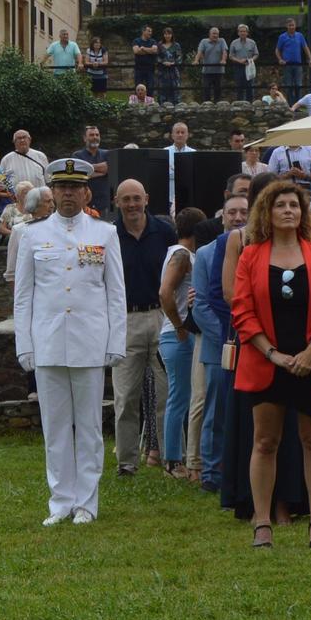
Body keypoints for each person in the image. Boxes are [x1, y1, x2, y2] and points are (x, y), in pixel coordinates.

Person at [232, 178, 311, 549]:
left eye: (294, 205)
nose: (288, 211)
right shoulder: (250, 255)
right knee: (265, 441)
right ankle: (262, 522)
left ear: (303, 212)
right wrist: (272, 353)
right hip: (267, 363)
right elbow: (243, 311)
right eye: (280, 205)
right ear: (267, 210)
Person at [13, 158, 126, 524]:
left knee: (90, 426)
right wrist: (24, 344)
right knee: (56, 426)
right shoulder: (32, 235)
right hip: (47, 342)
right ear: (51, 193)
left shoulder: (104, 233)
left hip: (89, 342)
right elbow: (24, 295)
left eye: (74, 188)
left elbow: (115, 293)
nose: (67, 194)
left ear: (86, 192)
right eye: (61, 188)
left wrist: (115, 341)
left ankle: (86, 503)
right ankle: (60, 501)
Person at [110, 179, 178, 475]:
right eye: (126, 199)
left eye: (136, 198)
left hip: (161, 316)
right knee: (125, 396)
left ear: (147, 199)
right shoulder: (110, 235)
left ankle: (170, 457)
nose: (132, 204)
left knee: (168, 392)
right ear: (117, 202)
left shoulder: (164, 232)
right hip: (126, 320)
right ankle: (127, 462)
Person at [190, 194, 246, 490]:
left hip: (252, 344)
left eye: (243, 212)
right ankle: (211, 471)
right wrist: (229, 336)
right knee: (216, 409)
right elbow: (200, 305)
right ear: (222, 216)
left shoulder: (259, 249)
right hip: (218, 346)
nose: (238, 217)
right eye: (232, 212)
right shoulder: (207, 253)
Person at [157, 208, 207, 474]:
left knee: (184, 396)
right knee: (179, 397)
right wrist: (179, 326)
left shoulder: (178, 253)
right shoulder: (181, 255)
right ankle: (173, 460)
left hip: (178, 334)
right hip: (177, 336)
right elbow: (165, 292)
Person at [0, 128, 50, 201]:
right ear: (14, 142)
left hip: (39, 200)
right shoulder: (6, 159)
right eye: (19, 138)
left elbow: (48, 180)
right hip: (17, 201)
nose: (22, 140)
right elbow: (1, 183)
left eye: (24, 137)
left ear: (29, 140)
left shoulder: (41, 156)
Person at [79, 124, 114, 215]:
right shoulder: (77, 156)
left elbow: (109, 168)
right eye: (91, 135)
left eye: (97, 135)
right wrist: (102, 171)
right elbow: (80, 174)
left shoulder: (108, 154)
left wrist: (88, 169)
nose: (95, 137)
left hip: (104, 205)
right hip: (85, 205)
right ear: (84, 138)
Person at [275, 17, 310, 96]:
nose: (291, 27)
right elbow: (277, 50)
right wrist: (280, 59)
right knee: (288, 85)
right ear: (287, 26)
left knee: (299, 85)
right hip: (287, 64)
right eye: (290, 25)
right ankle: (290, 104)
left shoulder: (300, 36)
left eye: (293, 25)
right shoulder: (282, 37)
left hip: (298, 64)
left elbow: (305, 48)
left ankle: (298, 104)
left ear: (295, 25)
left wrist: (310, 59)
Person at [195, 26, 229, 101]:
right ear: (209, 34)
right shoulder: (204, 41)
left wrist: (223, 60)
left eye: (217, 34)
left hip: (219, 71)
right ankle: (207, 106)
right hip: (207, 71)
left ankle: (217, 107)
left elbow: (224, 51)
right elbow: (199, 52)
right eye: (213, 33)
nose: (215, 35)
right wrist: (196, 61)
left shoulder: (222, 41)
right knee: (206, 89)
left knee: (218, 90)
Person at [228, 23, 260, 99]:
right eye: (241, 31)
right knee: (239, 87)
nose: (243, 33)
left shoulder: (252, 42)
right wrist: (239, 61)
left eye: (244, 31)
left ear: (247, 33)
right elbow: (231, 56)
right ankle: (240, 105)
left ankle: (250, 105)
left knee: (250, 87)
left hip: (249, 67)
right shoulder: (234, 43)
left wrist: (251, 60)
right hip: (238, 67)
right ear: (238, 33)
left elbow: (256, 54)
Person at [156, 26, 184, 103]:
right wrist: (163, 62)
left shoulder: (176, 45)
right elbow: (156, 57)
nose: (167, 36)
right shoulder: (159, 45)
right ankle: (162, 109)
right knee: (162, 90)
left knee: (175, 90)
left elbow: (180, 57)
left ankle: (176, 109)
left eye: (169, 34)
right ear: (163, 35)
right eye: (165, 34)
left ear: (172, 35)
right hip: (162, 72)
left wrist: (173, 63)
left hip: (173, 71)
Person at [131, 24, 159, 93]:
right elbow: (136, 51)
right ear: (143, 31)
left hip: (150, 68)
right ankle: (138, 103)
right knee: (138, 87)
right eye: (149, 31)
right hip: (139, 68)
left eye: (151, 31)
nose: (150, 33)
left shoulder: (153, 41)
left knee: (150, 87)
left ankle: (150, 103)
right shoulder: (136, 41)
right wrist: (149, 51)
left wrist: (143, 48)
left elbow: (154, 51)